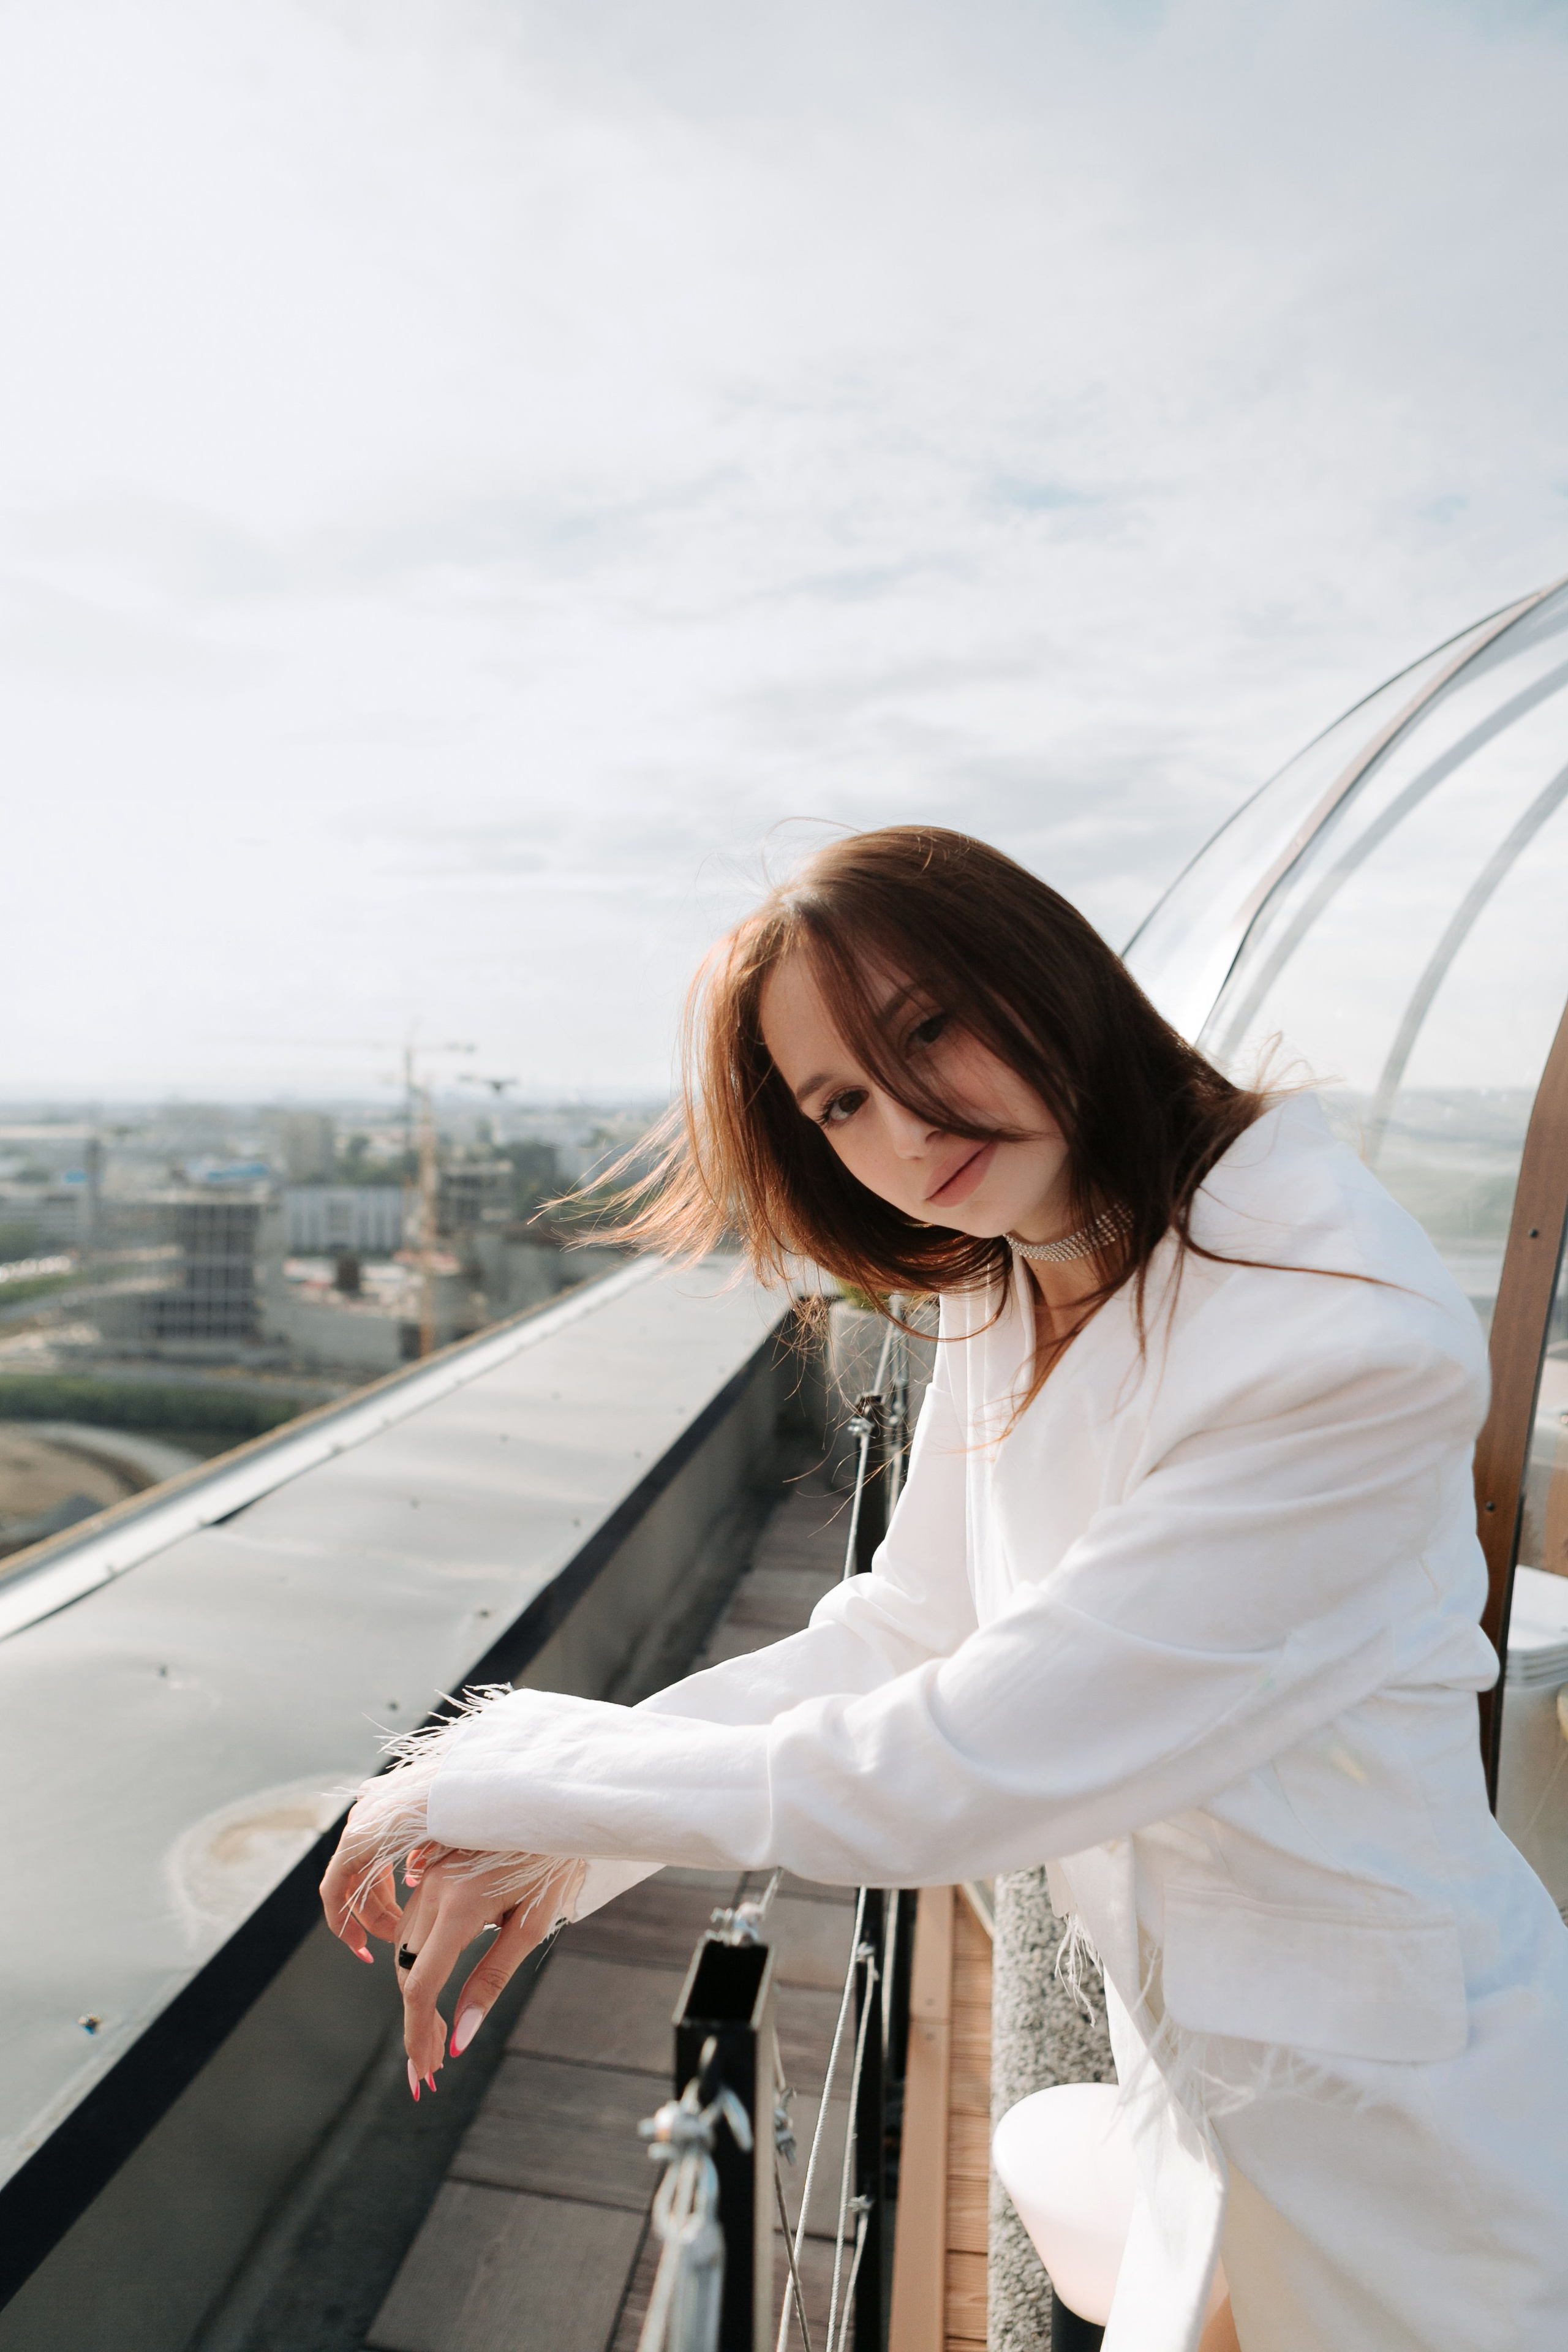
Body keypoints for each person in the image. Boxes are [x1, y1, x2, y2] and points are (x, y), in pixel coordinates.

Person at [322, 826, 1568, 2351]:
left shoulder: (1335, 1342)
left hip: (1405, 2132)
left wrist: (499, 1769)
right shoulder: (1020, 1260)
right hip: (1203, 2085)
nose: (906, 1124)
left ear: (1043, 969)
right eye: (839, 1099)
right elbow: (907, 1633)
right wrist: (564, 1852)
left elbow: (952, 1768)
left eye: (927, 1027)